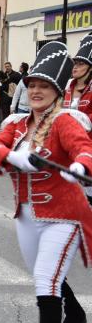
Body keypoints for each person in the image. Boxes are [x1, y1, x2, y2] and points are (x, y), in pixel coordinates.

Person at [0, 41, 91, 323]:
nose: (36, 91)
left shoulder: (65, 121)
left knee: (46, 281)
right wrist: (17, 159)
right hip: (27, 215)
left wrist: (78, 167)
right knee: (47, 276)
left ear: (57, 91)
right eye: (32, 85)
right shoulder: (17, 124)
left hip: (64, 214)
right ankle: (74, 314)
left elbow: (83, 147)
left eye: (45, 86)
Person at [64, 32, 92, 204]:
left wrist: (82, 119)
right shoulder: (68, 86)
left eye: (80, 64)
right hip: (69, 142)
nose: (75, 67)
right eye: (75, 63)